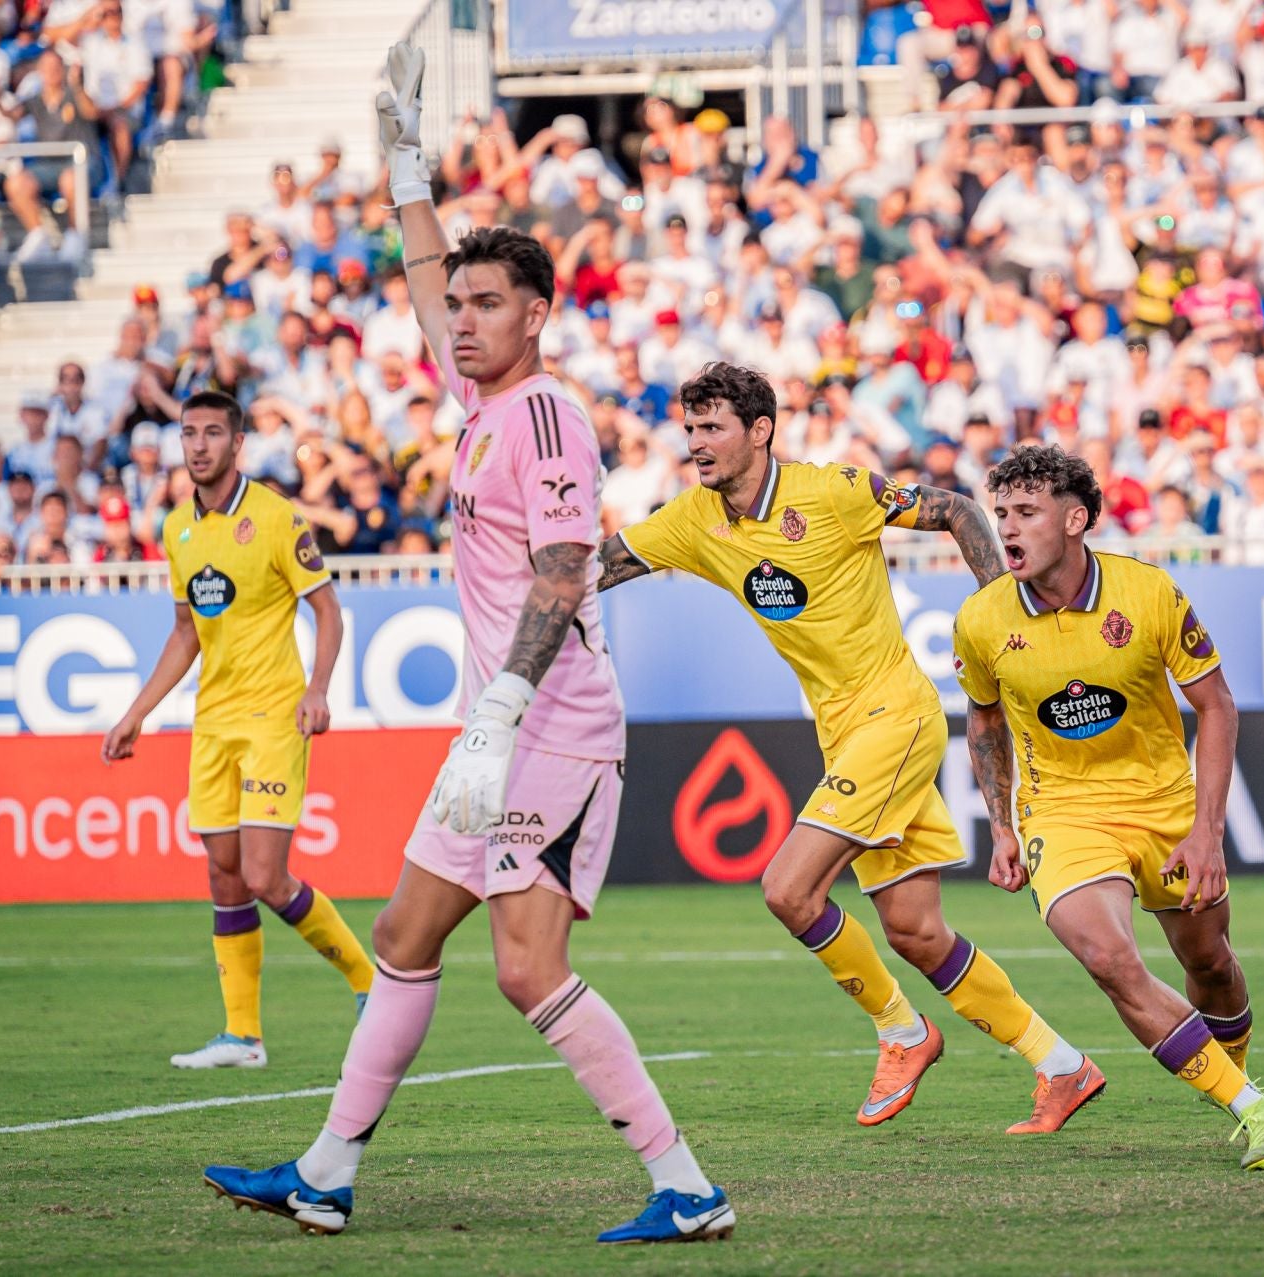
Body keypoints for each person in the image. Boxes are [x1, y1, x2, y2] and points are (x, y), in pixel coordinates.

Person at [201, 45, 732, 1246]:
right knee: (400, 935)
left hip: (547, 718)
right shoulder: (480, 401)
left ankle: (688, 1183)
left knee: (527, 969)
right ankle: (327, 1174)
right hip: (504, 718)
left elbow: (563, 568)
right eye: (465, 306)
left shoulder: (542, 412)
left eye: (491, 305)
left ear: (537, 315)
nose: (465, 318)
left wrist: (496, 710)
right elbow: (427, 272)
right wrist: (404, 164)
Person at [594, 361, 1101, 1136]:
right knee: (915, 931)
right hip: (845, 734)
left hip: (894, 717)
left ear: (759, 431)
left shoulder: (832, 492)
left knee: (788, 889)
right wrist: (520, 580)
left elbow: (960, 509)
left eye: (712, 427)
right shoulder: (694, 518)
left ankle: (903, 1032)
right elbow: (604, 565)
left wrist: (1008, 609)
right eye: (689, 428)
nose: (695, 443)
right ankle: (1062, 1065)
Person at [953, 444, 1264, 1171]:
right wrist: (1004, 825)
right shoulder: (982, 620)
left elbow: (1217, 706)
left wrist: (1208, 832)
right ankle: (1252, 1107)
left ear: (1076, 519)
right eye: (1001, 515)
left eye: (1027, 512)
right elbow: (984, 721)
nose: (1008, 530)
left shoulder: (1147, 592)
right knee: (1110, 956)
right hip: (1064, 814)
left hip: (1165, 805)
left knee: (1208, 962)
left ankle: (1236, 1077)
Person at [100, 391, 374, 1069]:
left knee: (263, 875)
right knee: (223, 876)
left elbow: (329, 612)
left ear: (237, 441)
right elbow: (186, 630)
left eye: (212, 433)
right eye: (188, 433)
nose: (197, 445)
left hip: (273, 717)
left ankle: (373, 984)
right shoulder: (176, 529)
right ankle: (243, 1035)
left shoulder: (277, 517)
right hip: (212, 722)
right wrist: (137, 711)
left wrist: (316, 689)